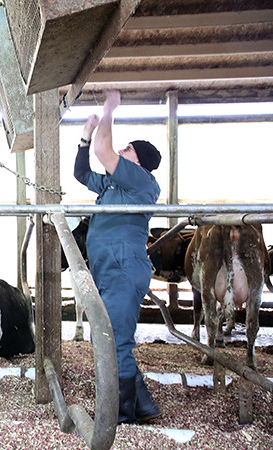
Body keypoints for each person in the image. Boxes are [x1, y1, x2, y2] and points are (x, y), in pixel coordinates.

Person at [73, 90, 162, 424]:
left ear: (136, 162)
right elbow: (82, 174)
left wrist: (108, 112)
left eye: (127, 150)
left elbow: (103, 150)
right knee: (111, 336)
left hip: (124, 269)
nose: (120, 152)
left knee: (112, 340)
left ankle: (121, 415)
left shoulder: (141, 182)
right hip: (110, 270)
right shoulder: (113, 186)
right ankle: (143, 404)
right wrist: (84, 137)